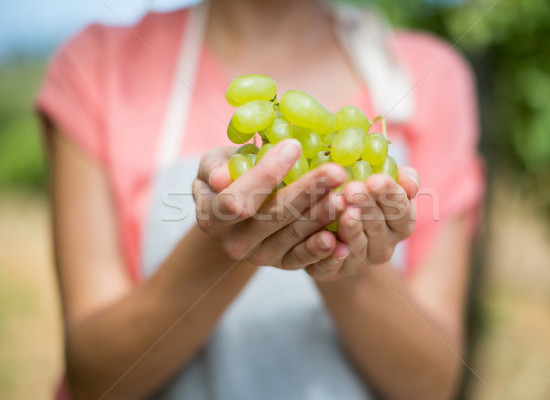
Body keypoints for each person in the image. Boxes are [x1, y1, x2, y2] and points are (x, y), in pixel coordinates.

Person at [37, 0, 483, 399]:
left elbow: (434, 384)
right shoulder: (98, 65)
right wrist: (225, 243)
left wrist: (344, 257)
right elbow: (94, 380)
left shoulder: (430, 76)